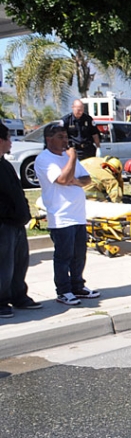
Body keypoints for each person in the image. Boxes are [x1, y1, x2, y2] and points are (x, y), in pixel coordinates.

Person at [36, 123, 100, 306]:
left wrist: (73, 179)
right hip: (61, 216)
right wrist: (71, 159)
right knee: (63, 257)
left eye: (66, 137)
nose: (66, 141)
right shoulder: (44, 159)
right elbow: (62, 179)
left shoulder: (67, 157)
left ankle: (78, 285)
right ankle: (63, 291)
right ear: (49, 139)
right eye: (61, 137)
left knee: (79, 254)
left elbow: (87, 179)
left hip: (78, 215)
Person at [0, 121, 42, 317]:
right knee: (3, 265)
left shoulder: (5, 165)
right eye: (8, 138)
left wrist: (23, 211)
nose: (11, 142)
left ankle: (18, 296)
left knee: (19, 262)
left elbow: (18, 191)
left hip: (17, 223)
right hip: (4, 224)